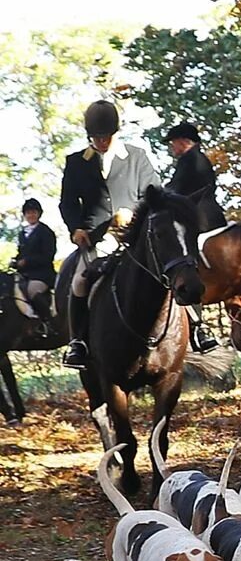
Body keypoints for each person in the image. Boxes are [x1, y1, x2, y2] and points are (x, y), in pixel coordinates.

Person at [59, 99, 165, 368]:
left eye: (106, 136)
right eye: (96, 137)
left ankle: (198, 329)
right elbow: (68, 203)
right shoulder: (76, 162)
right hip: (96, 239)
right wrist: (76, 229)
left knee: (172, 269)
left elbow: (154, 193)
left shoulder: (136, 156)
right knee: (79, 282)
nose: (102, 141)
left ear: (116, 133)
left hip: (136, 234)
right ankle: (78, 342)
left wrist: (134, 212)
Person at [164, 121, 226, 231]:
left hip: (196, 215)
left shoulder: (188, 159)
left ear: (183, 142)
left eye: (173, 142)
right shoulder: (201, 158)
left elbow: (176, 187)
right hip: (213, 214)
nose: (171, 146)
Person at [12, 199, 57, 319]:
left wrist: (27, 261)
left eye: (33, 212)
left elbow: (48, 256)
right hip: (25, 274)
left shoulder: (46, 232)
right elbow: (22, 253)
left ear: (38, 214)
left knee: (32, 290)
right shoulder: (22, 233)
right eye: (28, 213)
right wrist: (15, 261)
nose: (31, 215)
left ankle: (47, 321)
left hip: (42, 275)